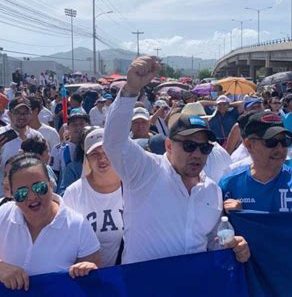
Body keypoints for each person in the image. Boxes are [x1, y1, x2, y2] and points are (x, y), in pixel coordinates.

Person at [103, 55, 250, 265]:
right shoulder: (145, 171)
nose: (197, 154)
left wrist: (234, 246)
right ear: (169, 146)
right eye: (189, 146)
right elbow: (113, 142)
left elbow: (212, 241)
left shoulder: (212, 191)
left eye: (204, 148)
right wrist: (130, 90)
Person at [0, 154, 101, 291]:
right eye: (22, 193)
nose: (31, 197)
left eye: (39, 187)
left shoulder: (78, 225)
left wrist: (87, 269)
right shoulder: (2, 215)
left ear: (50, 184)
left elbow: (94, 283)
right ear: (11, 194)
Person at [219, 111, 292, 212]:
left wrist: (244, 214)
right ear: (249, 145)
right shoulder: (229, 184)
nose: (280, 148)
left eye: (284, 141)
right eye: (271, 142)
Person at [64, 128, 123, 267]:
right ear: (87, 159)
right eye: (95, 154)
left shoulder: (133, 188)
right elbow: (64, 241)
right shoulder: (73, 193)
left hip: (127, 275)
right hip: (87, 277)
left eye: (107, 151)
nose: (102, 158)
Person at [0, 97, 43, 205]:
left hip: (29, 199)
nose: (22, 116)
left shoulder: (37, 136)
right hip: (0, 199)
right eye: (17, 113)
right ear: (10, 114)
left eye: (25, 113)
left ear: (31, 115)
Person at [50, 112, 90, 185]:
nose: (78, 128)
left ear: (87, 125)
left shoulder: (92, 147)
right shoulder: (58, 149)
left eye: (81, 124)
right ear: (68, 127)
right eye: (74, 125)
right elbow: (55, 174)